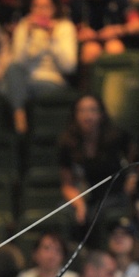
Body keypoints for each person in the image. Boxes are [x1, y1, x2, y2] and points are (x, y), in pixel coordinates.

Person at [1, 0, 78, 133]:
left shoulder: (64, 27)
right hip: (23, 80)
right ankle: (20, 117)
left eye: (45, 6)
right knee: (12, 70)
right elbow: (18, 62)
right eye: (36, 6)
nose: (40, 11)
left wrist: (51, 37)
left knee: (6, 89)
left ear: (54, 8)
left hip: (50, 80)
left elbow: (69, 67)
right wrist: (29, 37)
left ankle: (19, 121)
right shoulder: (24, 26)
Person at [57, 93, 134, 228]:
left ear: (101, 114)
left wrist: (132, 177)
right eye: (82, 111)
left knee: (98, 214)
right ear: (75, 115)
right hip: (85, 196)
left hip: (113, 195)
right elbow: (67, 185)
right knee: (64, 212)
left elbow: (134, 162)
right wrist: (80, 204)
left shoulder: (117, 138)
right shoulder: (67, 144)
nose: (88, 116)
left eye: (93, 110)